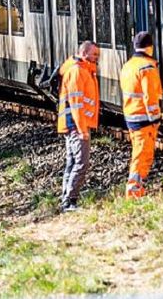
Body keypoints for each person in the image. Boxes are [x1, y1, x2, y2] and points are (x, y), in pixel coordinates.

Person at [57, 40, 101, 212]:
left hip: (74, 124)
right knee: (81, 162)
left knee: (72, 162)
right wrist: (83, 130)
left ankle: (66, 199)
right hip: (76, 125)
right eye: (95, 54)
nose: (97, 58)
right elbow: (76, 104)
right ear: (84, 53)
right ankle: (69, 201)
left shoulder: (83, 70)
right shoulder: (77, 72)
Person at [120, 31, 163, 198]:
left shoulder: (128, 65)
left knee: (138, 153)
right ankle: (134, 191)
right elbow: (150, 97)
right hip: (144, 119)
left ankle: (137, 189)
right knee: (142, 155)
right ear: (150, 48)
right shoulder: (147, 68)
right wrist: (156, 118)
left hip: (131, 116)